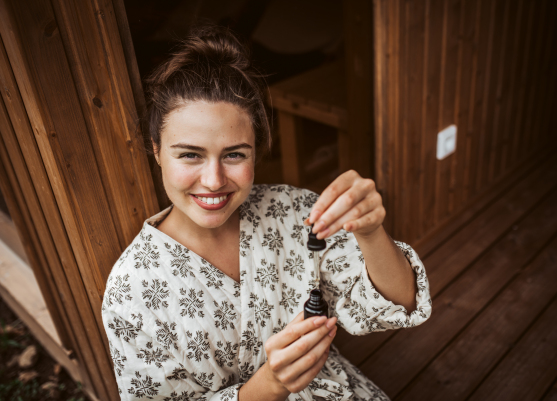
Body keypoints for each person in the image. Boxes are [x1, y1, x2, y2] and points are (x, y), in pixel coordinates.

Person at [102, 25, 431, 401]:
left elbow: (400, 302)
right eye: (190, 154)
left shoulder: (293, 212)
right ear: (157, 150)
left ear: (256, 152)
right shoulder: (131, 291)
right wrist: (270, 385)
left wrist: (371, 232)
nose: (213, 180)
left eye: (234, 154)